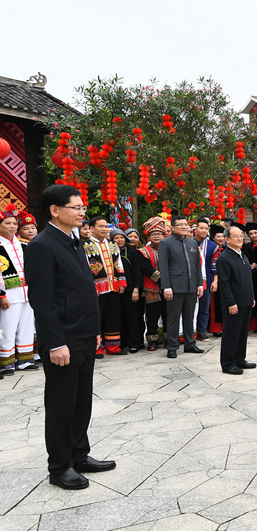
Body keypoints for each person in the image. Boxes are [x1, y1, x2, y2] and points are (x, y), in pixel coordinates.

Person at [24, 184, 115, 490]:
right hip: (63, 339)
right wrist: (55, 342)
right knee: (62, 405)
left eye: (81, 207)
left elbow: (84, 289)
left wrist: (95, 330)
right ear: (54, 210)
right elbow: (42, 300)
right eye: (75, 207)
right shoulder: (42, 245)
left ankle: (79, 454)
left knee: (81, 401)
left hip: (85, 334)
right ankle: (60, 466)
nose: (81, 213)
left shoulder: (74, 241)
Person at [158, 215, 205, 358]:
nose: (184, 227)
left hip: (191, 286)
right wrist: (166, 287)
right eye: (180, 224)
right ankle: (172, 347)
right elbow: (163, 267)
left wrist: (199, 284)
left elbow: (197, 266)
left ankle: (190, 344)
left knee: (189, 317)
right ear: (173, 227)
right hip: (174, 287)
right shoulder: (166, 243)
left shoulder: (192, 242)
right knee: (173, 318)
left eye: (186, 224)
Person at [0, 205, 37, 373]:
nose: (12, 226)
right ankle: (6, 362)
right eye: (8, 223)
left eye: (14, 223)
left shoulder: (24, 244)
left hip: (27, 292)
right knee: (7, 327)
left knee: (26, 326)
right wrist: (1, 295)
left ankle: (25, 360)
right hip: (9, 293)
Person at [84, 217, 127, 357]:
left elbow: (119, 263)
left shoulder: (113, 244)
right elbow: (85, 268)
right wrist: (92, 285)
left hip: (113, 287)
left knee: (113, 317)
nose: (104, 229)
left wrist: (122, 281)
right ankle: (97, 348)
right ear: (92, 229)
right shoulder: (85, 245)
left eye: (106, 226)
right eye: (100, 226)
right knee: (97, 318)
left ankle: (113, 347)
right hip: (97, 289)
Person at [217, 226, 256, 375]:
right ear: (227, 239)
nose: (240, 238)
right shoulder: (224, 258)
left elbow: (247, 279)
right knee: (231, 334)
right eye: (236, 236)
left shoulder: (242, 254)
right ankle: (228, 363)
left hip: (246, 301)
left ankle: (240, 359)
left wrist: (251, 297)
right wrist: (230, 302)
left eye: (241, 235)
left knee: (242, 333)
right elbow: (224, 283)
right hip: (234, 303)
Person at [111, 229, 144, 353]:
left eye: (121, 237)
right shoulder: (110, 252)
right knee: (119, 317)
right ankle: (122, 342)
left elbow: (137, 272)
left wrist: (136, 289)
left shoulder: (132, 252)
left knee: (132, 317)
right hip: (115, 290)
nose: (119, 240)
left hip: (130, 290)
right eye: (116, 238)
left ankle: (134, 343)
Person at [137, 217, 167, 351]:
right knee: (152, 316)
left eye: (159, 233)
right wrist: (164, 280)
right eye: (153, 234)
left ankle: (168, 339)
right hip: (151, 288)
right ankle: (152, 341)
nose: (156, 236)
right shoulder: (143, 251)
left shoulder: (168, 249)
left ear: (164, 235)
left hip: (168, 289)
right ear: (148, 236)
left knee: (168, 315)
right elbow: (147, 269)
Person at [193, 218, 213, 341]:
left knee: (204, 307)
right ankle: (190, 331)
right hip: (191, 280)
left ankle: (201, 331)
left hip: (207, 280)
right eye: (201, 228)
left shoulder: (212, 245)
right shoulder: (188, 243)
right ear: (195, 229)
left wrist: (215, 280)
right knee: (190, 307)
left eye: (206, 228)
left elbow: (214, 265)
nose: (204, 230)